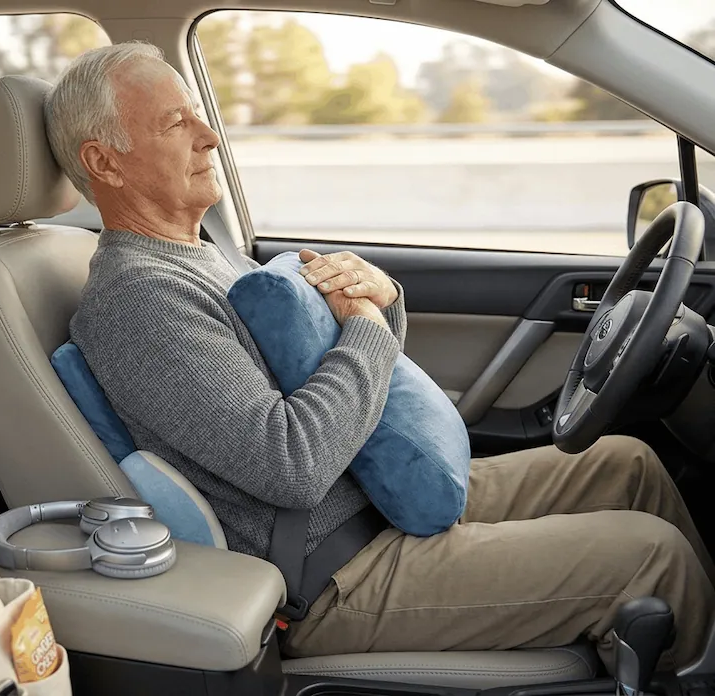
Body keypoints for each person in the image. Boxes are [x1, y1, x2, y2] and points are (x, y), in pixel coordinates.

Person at [44, 41, 715, 671]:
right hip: (336, 571)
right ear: (105, 162)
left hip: (373, 499)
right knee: (648, 556)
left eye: (201, 115)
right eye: (176, 124)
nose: (210, 134)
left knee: (628, 465)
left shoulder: (202, 257)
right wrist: (364, 329)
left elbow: (330, 375)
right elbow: (291, 464)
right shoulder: (139, 300)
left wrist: (379, 299)